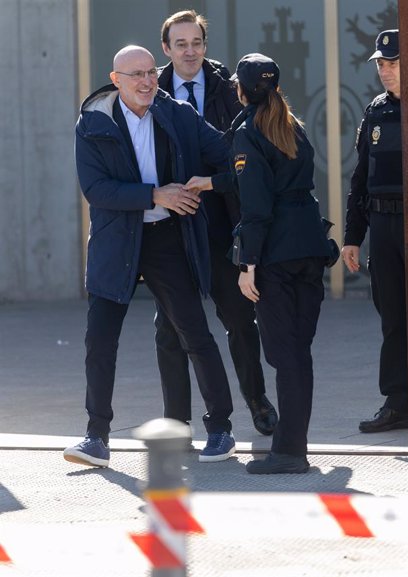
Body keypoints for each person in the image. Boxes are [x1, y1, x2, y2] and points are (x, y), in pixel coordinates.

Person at [64, 45, 238, 468]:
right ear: (116, 78)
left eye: (150, 73)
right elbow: (96, 190)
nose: (146, 82)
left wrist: (209, 182)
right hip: (115, 240)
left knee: (194, 332)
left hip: (166, 240)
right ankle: (96, 437)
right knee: (100, 340)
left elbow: (230, 154)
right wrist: (155, 195)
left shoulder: (177, 113)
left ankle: (221, 429)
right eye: (136, 75)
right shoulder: (93, 123)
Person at [186, 53, 332, 474]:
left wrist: (247, 265)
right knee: (297, 354)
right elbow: (266, 178)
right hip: (309, 249)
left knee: (284, 356)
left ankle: (289, 452)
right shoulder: (291, 126)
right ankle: (294, 445)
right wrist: (213, 181)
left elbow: (256, 205)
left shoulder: (249, 132)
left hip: (275, 257)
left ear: (240, 91)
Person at [157, 10, 277, 436]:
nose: (190, 52)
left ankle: (258, 402)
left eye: (197, 43)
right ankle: (176, 421)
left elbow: (244, 154)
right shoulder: (150, 90)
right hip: (173, 228)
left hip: (223, 223)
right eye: (181, 44)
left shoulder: (230, 88)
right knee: (170, 330)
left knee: (241, 321)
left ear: (205, 46)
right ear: (166, 49)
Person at [342, 29, 408, 434]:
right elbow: (360, 179)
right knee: (392, 316)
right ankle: (398, 401)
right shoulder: (377, 111)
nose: (384, 71)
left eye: (394, 62)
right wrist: (353, 236)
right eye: (381, 64)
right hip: (384, 226)